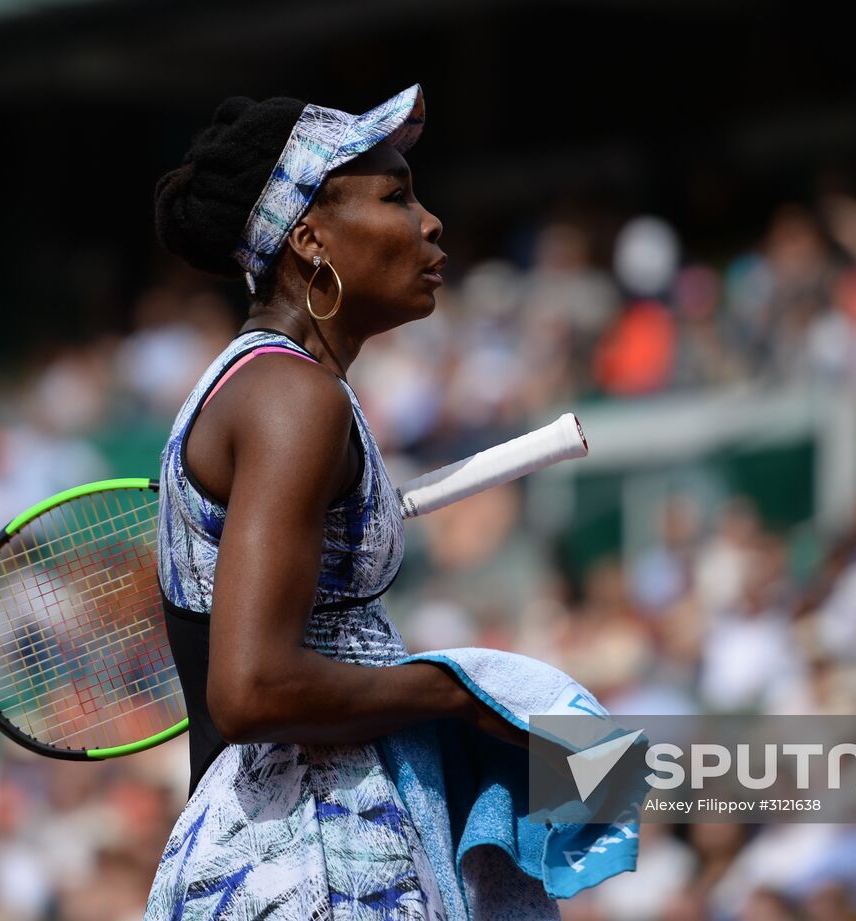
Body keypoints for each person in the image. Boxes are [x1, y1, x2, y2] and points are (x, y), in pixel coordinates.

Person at [145, 85, 524, 919]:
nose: (430, 223)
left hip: (281, 857)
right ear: (310, 240)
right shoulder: (290, 396)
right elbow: (250, 691)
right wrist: (462, 691)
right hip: (316, 872)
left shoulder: (271, 387)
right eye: (396, 196)